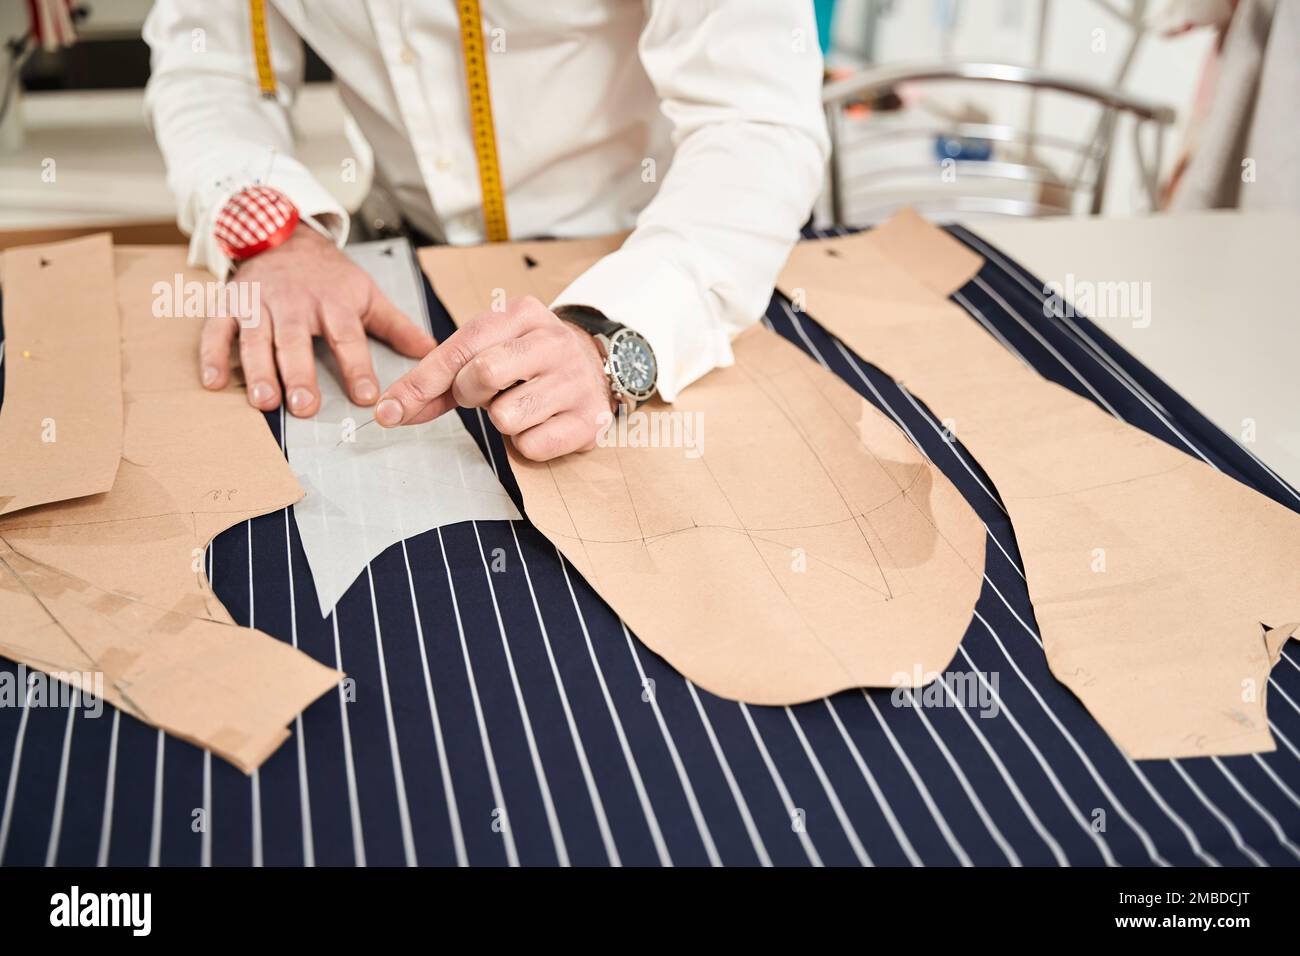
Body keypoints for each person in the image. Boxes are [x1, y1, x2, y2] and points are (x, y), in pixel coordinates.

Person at [144, 1, 828, 461]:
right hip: (395, 260)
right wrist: (273, 228)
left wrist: (618, 334)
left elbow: (756, 120)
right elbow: (210, 71)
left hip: (656, 262)